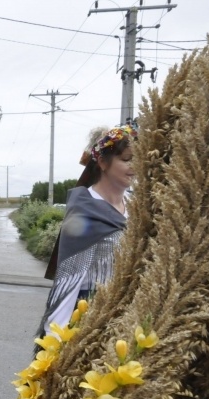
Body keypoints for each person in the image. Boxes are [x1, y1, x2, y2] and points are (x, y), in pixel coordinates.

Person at [37, 124, 137, 336]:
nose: (134, 166)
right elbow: (68, 279)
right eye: (127, 159)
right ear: (102, 162)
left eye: (138, 159)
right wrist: (54, 339)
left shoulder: (137, 207)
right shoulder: (84, 209)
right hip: (89, 316)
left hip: (131, 313)